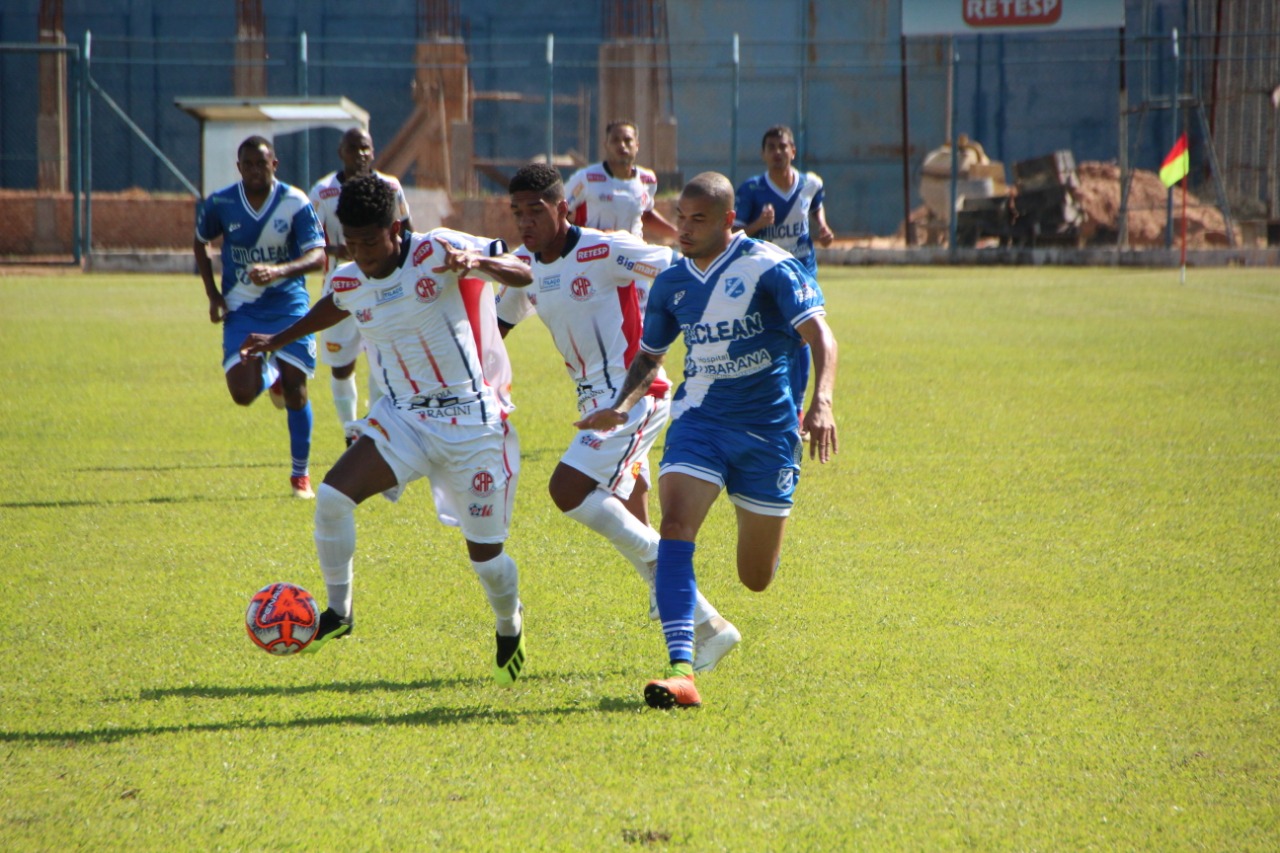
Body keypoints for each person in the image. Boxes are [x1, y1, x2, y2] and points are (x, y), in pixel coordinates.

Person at [239, 174, 534, 684]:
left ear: (396, 227)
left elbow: (522, 271)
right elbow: (332, 306)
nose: (362, 253)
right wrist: (277, 339)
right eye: (352, 243)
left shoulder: (437, 249)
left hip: (471, 423)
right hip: (406, 421)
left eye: (370, 241)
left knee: (487, 561)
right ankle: (340, 613)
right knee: (332, 498)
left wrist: (479, 264)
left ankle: (510, 624)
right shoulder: (350, 279)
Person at [578, 172, 838, 709]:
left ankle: (718, 630)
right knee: (674, 525)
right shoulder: (672, 282)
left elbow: (820, 337)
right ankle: (681, 667)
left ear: (727, 221)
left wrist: (822, 402)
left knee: (756, 577)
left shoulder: (771, 268)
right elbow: (650, 355)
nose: (684, 229)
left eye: (698, 220)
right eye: (680, 217)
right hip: (700, 420)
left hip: (769, 432)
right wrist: (619, 407)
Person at [498, 162, 742, 672]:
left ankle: (700, 608)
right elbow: (498, 325)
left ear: (563, 209)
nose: (525, 221)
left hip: (634, 394)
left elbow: (674, 267)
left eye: (535, 211)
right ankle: (705, 626)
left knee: (566, 489)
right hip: (591, 403)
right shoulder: (525, 265)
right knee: (631, 514)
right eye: (517, 212)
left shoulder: (602, 249)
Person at [194, 135, 326, 499]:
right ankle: (272, 376)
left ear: (275, 165)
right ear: (239, 168)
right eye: (247, 164)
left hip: (289, 305)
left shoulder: (294, 202)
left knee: (298, 390)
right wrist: (213, 295)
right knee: (242, 394)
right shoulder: (221, 202)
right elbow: (200, 242)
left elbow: (318, 257)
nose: (255, 170)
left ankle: (300, 475)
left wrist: (279, 270)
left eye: (261, 163)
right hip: (242, 307)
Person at [309, 128, 414, 447]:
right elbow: (308, 241)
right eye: (354, 148)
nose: (361, 154)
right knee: (342, 367)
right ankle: (349, 431)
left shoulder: (390, 186)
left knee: (382, 360)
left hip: (385, 287)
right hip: (340, 287)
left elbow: (407, 232)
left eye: (366, 148)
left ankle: (376, 431)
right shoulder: (323, 191)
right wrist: (334, 251)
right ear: (341, 151)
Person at [733, 125, 834, 423]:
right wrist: (758, 223)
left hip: (802, 271)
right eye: (771, 147)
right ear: (763, 154)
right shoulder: (752, 190)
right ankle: (764, 404)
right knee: (766, 339)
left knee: (803, 336)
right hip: (765, 275)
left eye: (783, 146)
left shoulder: (811, 183)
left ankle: (797, 410)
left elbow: (816, 206)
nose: (778, 152)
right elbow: (735, 234)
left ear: (793, 151)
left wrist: (822, 226)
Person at [564, 120, 678, 241]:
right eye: (615, 140)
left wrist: (676, 234)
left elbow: (646, 215)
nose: (622, 145)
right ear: (606, 145)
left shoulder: (647, 179)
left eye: (627, 140)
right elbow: (559, 213)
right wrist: (583, 237)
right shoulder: (587, 177)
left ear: (637, 146)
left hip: (632, 253)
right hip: (597, 254)